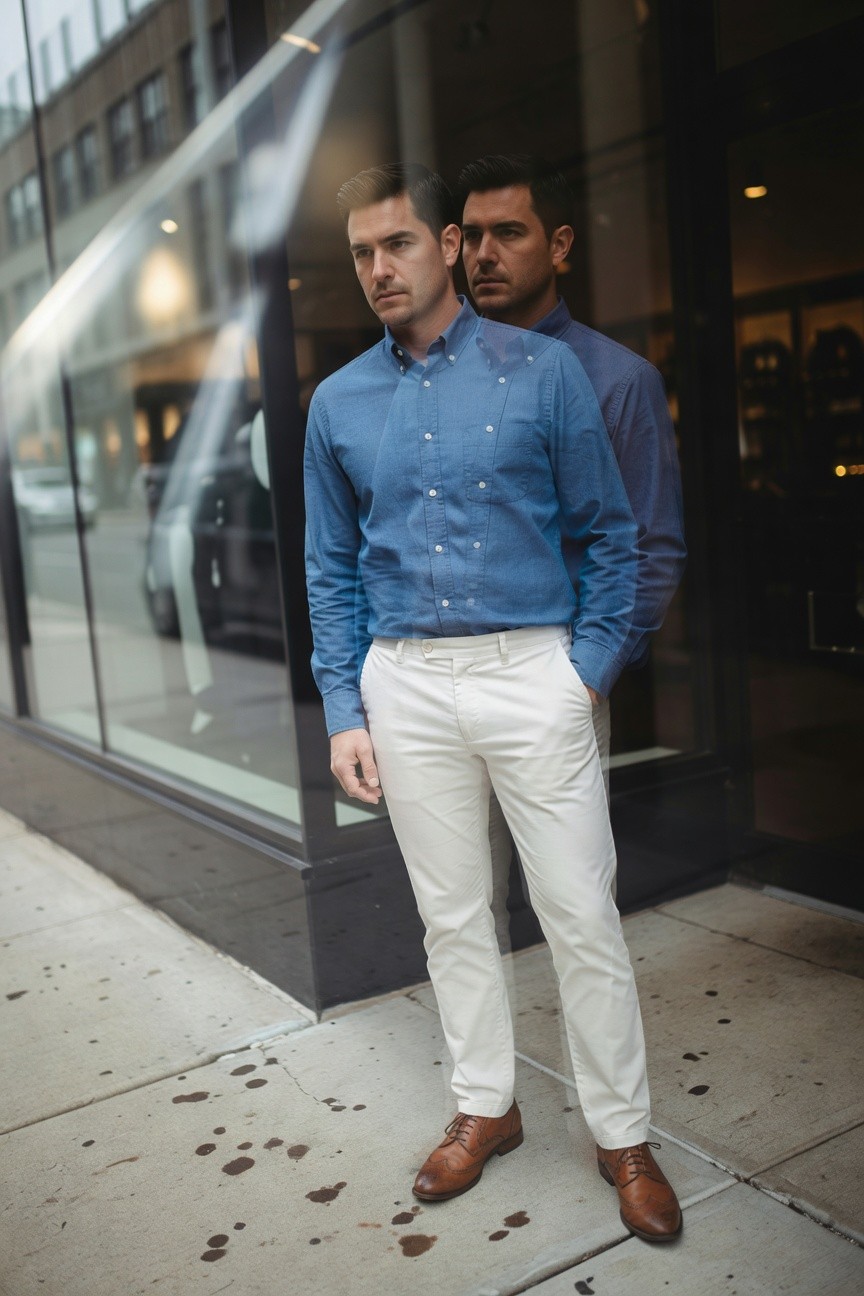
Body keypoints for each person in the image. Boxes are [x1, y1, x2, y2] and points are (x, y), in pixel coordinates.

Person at [303, 162, 682, 1242]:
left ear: (450, 250)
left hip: (534, 672)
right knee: (452, 917)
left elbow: (614, 537)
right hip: (405, 683)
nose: (380, 268)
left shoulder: (546, 372)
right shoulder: (336, 403)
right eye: (363, 253)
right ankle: (486, 1108)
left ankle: (622, 1133)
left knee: (580, 915)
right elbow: (328, 570)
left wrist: (583, 674)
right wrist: (345, 708)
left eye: (400, 245)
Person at [458, 153, 686, 901]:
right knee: (463, 905)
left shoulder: (618, 380)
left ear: (558, 245)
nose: (483, 254)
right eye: (472, 236)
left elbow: (653, 548)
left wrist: (586, 678)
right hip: (445, 680)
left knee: (577, 904)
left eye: (509, 233)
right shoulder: (432, 380)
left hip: (557, 675)